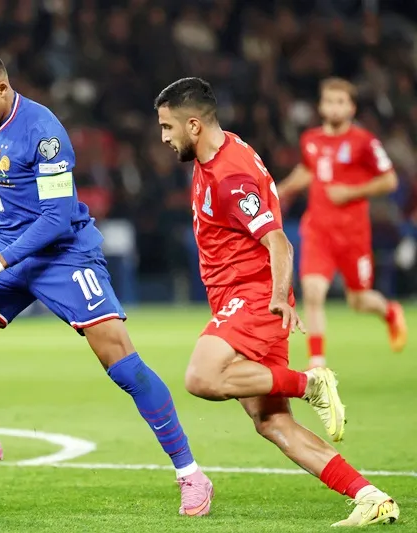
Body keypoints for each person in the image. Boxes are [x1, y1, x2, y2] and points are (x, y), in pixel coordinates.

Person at [0, 48, 213, 513]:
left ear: (2, 89)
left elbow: (55, 218)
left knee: (122, 362)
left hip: (63, 255)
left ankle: (190, 474)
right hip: (11, 246)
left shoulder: (44, 132)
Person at [155, 77, 399, 527]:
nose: (164, 139)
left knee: (201, 376)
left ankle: (309, 384)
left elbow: (280, 243)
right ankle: (370, 496)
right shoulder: (218, 150)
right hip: (237, 295)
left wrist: (276, 298)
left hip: (252, 297)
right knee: (271, 422)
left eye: (168, 128)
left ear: (193, 125)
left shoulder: (230, 176)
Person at [277, 77, 407, 369]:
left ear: (351, 108)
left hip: (353, 234)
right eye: (329, 101)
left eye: (340, 102)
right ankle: (317, 363)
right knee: (312, 291)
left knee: (358, 300)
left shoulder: (365, 142)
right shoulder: (310, 139)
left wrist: (352, 191)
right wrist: (282, 189)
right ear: (321, 106)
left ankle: (389, 312)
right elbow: (309, 171)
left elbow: (390, 180)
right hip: (319, 230)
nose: (334, 108)